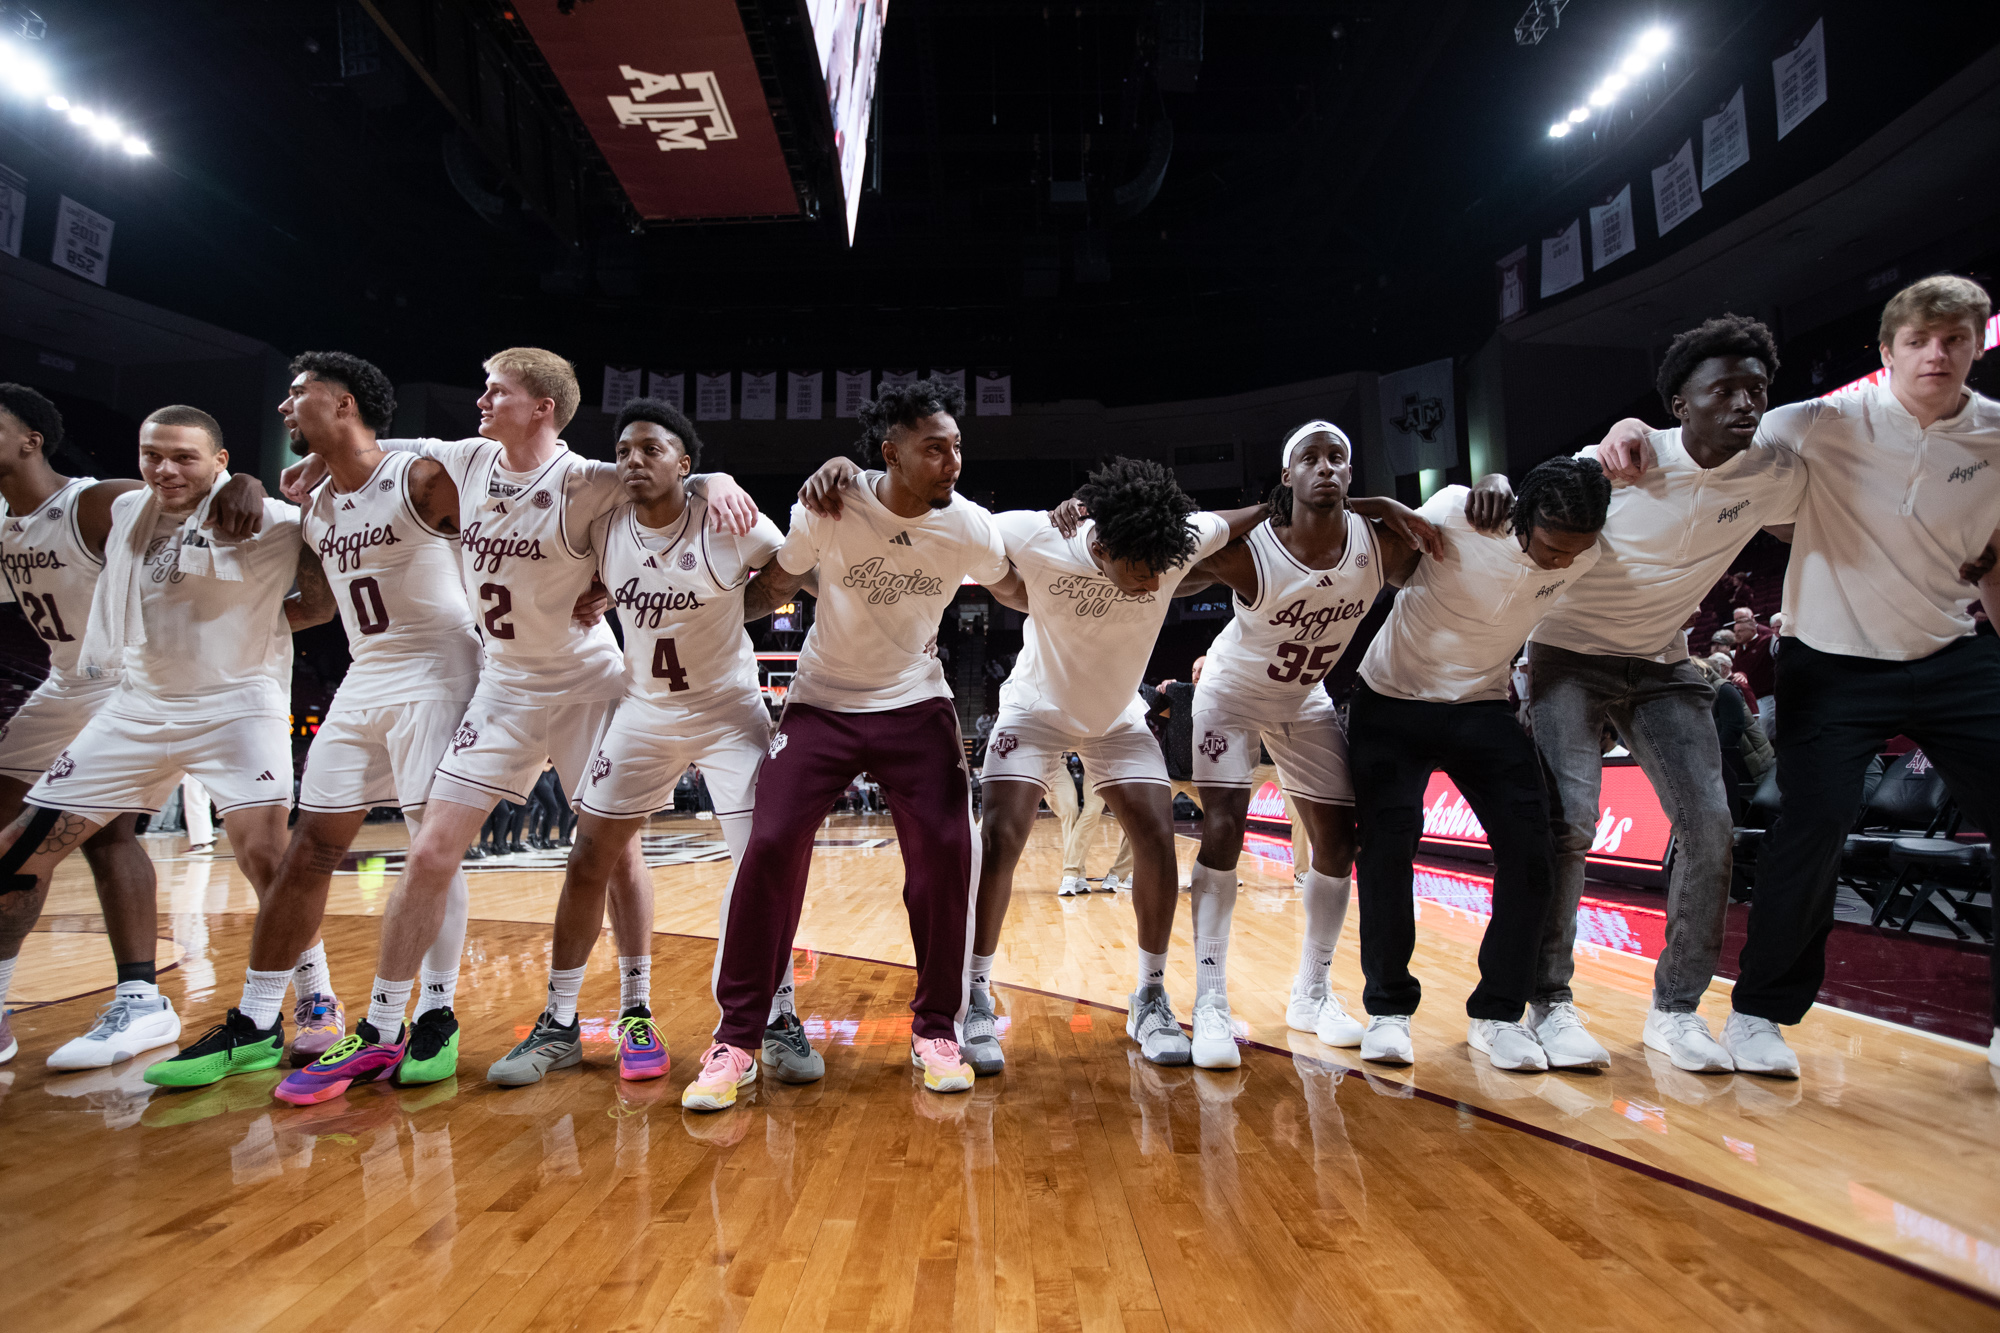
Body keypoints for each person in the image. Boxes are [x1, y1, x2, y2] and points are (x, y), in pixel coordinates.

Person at [270, 348, 755, 1105]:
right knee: (429, 848)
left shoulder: (588, 479)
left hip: (588, 685)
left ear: (542, 408)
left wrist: (713, 478)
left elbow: (666, 483)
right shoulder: (463, 459)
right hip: (502, 688)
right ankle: (384, 1026)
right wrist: (315, 471)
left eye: (497, 391)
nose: (481, 401)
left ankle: (635, 1009)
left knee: (614, 855)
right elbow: (379, 450)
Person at [1599, 275, 2000, 1075]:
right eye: (1918, 339)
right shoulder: (1820, 421)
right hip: (1834, 658)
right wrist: (1627, 425)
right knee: (1810, 834)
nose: (1937, 353)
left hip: (1953, 653)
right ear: (1887, 352)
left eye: (1955, 338)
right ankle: (1758, 1015)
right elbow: (1703, 434)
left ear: (1979, 344)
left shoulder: (1996, 435)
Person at [144, 352, 482, 1089]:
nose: (283, 407)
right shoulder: (318, 503)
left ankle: (434, 1014)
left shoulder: (421, 477)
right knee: (308, 851)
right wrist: (246, 484)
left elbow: (507, 534)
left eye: (298, 395)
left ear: (344, 404)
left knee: (433, 849)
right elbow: (321, 606)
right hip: (366, 675)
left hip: (440, 667)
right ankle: (258, 1021)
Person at [1482, 316, 1805, 1075]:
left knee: (1712, 824)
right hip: (1567, 654)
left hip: (1663, 661)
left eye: (1756, 389)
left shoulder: (1775, 472)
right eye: (1722, 389)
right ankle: (1550, 1002)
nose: (1744, 403)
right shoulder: (1612, 464)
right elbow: (1517, 546)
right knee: (1572, 823)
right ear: (1678, 402)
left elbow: (1817, 524)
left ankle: (1675, 1011)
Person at [682, 378, 1010, 1110]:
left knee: (949, 855)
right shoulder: (828, 502)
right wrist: (703, 622)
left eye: (957, 446)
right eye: (935, 448)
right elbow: (782, 579)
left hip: (916, 704)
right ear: (892, 452)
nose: (953, 461)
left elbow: (1015, 578)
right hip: (823, 703)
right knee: (767, 845)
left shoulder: (969, 527)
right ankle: (738, 1037)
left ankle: (936, 1029)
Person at [0, 405, 335, 1071]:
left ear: (218, 460)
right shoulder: (131, 511)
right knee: (14, 856)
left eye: (184, 456)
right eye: (153, 454)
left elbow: (322, 605)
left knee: (266, 855)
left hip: (238, 706)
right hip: (136, 707)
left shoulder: (273, 520)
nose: (164, 468)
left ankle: (316, 996)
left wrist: (260, 616)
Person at [483, 396, 797, 1088]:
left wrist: (722, 502)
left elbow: (790, 573)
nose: (632, 460)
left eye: (651, 449)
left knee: (763, 861)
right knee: (588, 852)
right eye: (623, 449)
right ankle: (561, 1021)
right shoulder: (604, 523)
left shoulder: (728, 515)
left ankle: (776, 1014)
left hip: (728, 710)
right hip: (645, 710)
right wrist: (596, 587)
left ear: (684, 464)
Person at [970, 458, 1268, 1072]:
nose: (1148, 585)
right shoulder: (1037, 535)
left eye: (1158, 572)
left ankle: (1150, 996)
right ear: (1099, 546)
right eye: (1135, 575)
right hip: (1034, 709)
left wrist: (1278, 500)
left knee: (1158, 837)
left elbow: (1239, 520)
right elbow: (954, 521)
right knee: (1000, 838)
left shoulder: (1170, 542)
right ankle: (973, 994)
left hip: (1115, 717)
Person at [1178, 421, 1434, 1065]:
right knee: (1224, 830)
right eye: (1310, 459)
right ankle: (1210, 1001)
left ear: (1350, 476)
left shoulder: (1380, 548)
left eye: (1338, 459)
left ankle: (1311, 994)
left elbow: (1446, 539)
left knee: (1339, 840)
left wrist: (1388, 506)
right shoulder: (1251, 551)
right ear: (1287, 477)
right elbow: (1175, 561)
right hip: (1230, 696)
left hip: (1303, 697)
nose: (1325, 467)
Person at [1349, 455, 1609, 1071]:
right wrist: (1477, 486)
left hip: (1483, 706)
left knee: (1533, 852)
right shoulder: (1455, 515)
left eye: (1576, 551)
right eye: (1551, 547)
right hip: (1391, 703)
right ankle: (1387, 1010)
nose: (1562, 562)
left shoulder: (1584, 554)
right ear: (1523, 520)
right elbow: (1387, 560)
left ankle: (1497, 1016)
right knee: (1387, 852)